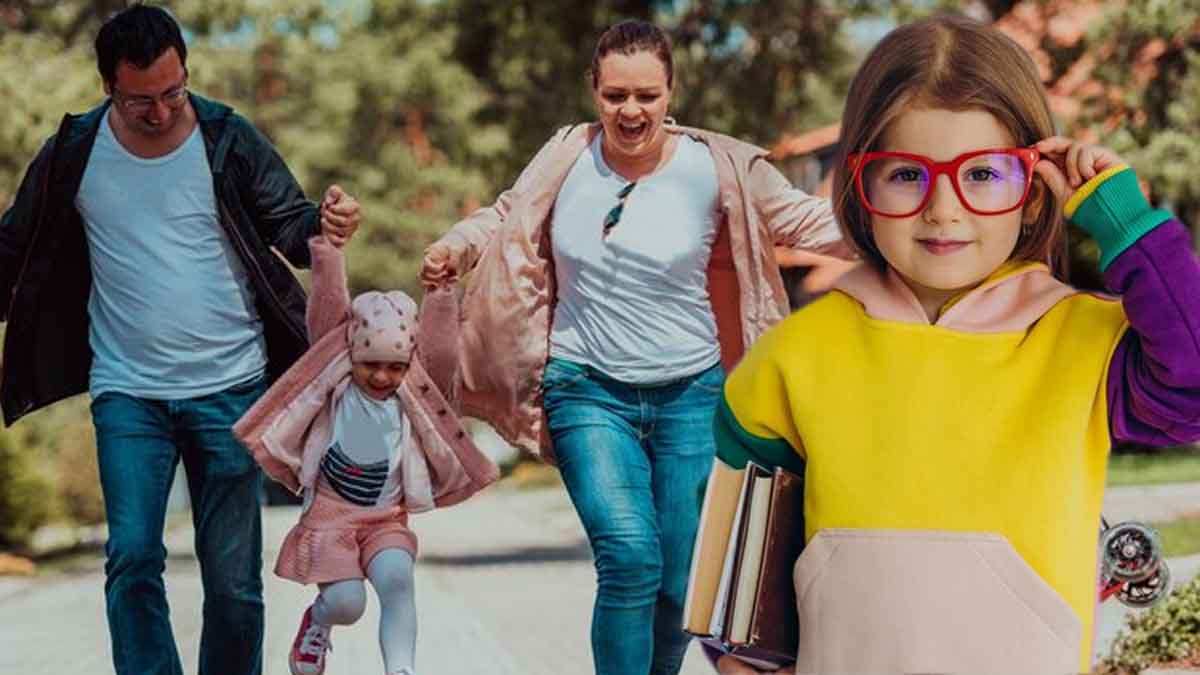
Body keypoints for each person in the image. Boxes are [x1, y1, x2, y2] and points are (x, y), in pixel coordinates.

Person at [713, 14, 1200, 675]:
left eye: (984, 174)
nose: (944, 207)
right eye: (907, 174)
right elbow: (735, 586)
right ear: (860, 186)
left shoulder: (1083, 342)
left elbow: (1191, 388)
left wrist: (1124, 222)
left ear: (1032, 194)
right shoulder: (792, 357)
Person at [420, 19, 855, 675]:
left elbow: (804, 219)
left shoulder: (717, 167)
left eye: (646, 95)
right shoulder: (568, 155)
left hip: (691, 394)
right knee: (629, 554)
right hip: (585, 388)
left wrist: (907, 220)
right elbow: (506, 212)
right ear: (594, 91)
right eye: (615, 94)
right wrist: (457, 244)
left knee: (680, 584)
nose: (631, 111)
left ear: (670, 92)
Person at [0, 5, 361, 674]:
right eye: (142, 100)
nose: (162, 111)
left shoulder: (225, 137)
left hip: (232, 388)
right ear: (109, 85)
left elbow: (291, 223)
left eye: (174, 91)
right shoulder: (74, 153)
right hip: (127, 392)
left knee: (232, 583)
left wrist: (327, 221)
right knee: (132, 555)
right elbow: (13, 248)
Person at [234, 234, 499, 675]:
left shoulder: (413, 391)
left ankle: (401, 669)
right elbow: (327, 308)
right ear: (352, 354)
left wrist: (440, 294)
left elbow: (440, 349)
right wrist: (330, 251)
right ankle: (317, 622)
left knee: (397, 581)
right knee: (346, 602)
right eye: (370, 364)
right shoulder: (333, 376)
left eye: (395, 366)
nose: (381, 375)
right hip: (330, 519)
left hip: (386, 519)